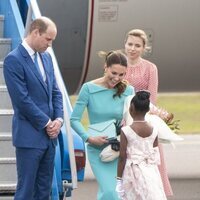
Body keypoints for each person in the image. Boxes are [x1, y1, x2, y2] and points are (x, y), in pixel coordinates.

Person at [3, 17, 63, 200]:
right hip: (29, 137)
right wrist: (47, 123)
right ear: (35, 32)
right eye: (48, 39)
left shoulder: (46, 58)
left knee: (44, 191)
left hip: (49, 138)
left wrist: (59, 120)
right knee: (26, 190)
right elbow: (22, 100)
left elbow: (56, 93)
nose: (50, 44)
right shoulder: (13, 60)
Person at [70, 50, 134, 200]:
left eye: (121, 74)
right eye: (113, 73)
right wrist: (88, 138)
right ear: (105, 67)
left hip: (120, 149)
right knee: (110, 191)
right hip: (97, 149)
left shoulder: (129, 91)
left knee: (118, 193)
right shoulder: (88, 88)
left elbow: (133, 119)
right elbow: (74, 119)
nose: (117, 78)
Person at [124, 29, 173, 196]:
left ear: (144, 48)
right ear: (125, 44)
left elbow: (152, 97)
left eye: (137, 45)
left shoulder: (150, 68)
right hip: (123, 118)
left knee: (150, 160)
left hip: (143, 116)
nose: (132, 48)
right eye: (130, 44)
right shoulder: (119, 65)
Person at [116, 90, 167, 200]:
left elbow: (122, 157)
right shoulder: (154, 130)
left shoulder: (126, 131)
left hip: (132, 172)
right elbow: (155, 155)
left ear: (131, 108)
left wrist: (119, 179)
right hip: (151, 171)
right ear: (148, 109)